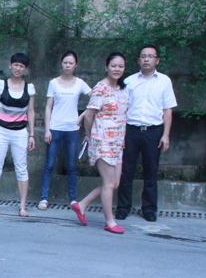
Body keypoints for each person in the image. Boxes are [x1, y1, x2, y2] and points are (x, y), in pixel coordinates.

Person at [115, 44, 177, 222]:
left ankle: (149, 209)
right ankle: (123, 207)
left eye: (150, 56)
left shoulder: (164, 81)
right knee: (126, 171)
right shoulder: (129, 81)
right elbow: (122, 108)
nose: (146, 59)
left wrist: (166, 134)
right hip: (131, 130)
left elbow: (167, 110)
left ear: (157, 60)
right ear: (138, 60)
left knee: (151, 171)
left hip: (153, 131)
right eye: (143, 56)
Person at [72, 53, 128, 234]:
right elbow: (89, 115)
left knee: (114, 183)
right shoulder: (100, 88)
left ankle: (82, 205)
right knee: (109, 182)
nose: (117, 69)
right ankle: (110, 221)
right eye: (114, 66)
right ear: (106, 67)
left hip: (118, 142)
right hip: (102, 140)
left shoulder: (121, 89)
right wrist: (89, 135)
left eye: (121, 66)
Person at [0, 53, 36, 217]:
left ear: (26, 69)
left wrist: (32, 135)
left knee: (21, 168)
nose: (18, 68)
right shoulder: (1, 84)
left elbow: (31, 111)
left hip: (20, 132)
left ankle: (23, 206)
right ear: (10, 65)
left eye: (21, 66)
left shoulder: (29, 88)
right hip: (1, 131)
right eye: (15, 64)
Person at [38, 51, 92, 211]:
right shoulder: (53, 83)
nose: (67, 65)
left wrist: (82, 115)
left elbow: (96, 98)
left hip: (72, 129)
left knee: (71, 166)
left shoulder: (80, 83)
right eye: (65, 62)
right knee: (49, 164)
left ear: (76, 65)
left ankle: (73, 200)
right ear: (61, 64)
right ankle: (43, 198)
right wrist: (47, 129)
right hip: (55, 128)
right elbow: (48, 107)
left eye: (71, 63)